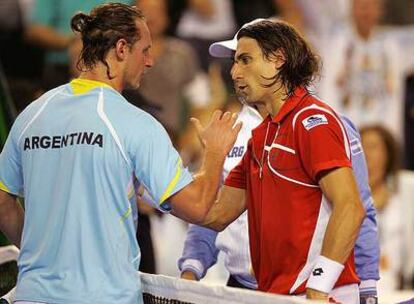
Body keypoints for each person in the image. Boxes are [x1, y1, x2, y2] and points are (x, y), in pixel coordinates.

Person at [0, 3, 242, 304]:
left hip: (32, 296)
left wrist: (46, 255)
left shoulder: (31, 116)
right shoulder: (135, 124)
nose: (151, 61)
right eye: (145, 50)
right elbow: (200, 208)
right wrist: (216, 152)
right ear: (121, 49)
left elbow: (2, 202)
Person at [188, 19, 366, 303]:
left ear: (278, 60)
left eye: (245, 60)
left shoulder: (312, 122)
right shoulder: (260, 136)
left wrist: (318, 289)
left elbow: (351, 207)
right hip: (277, 296)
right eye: (235, 63)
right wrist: (149, 183)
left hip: (321, 296)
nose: (234, 72)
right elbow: (215, 215)